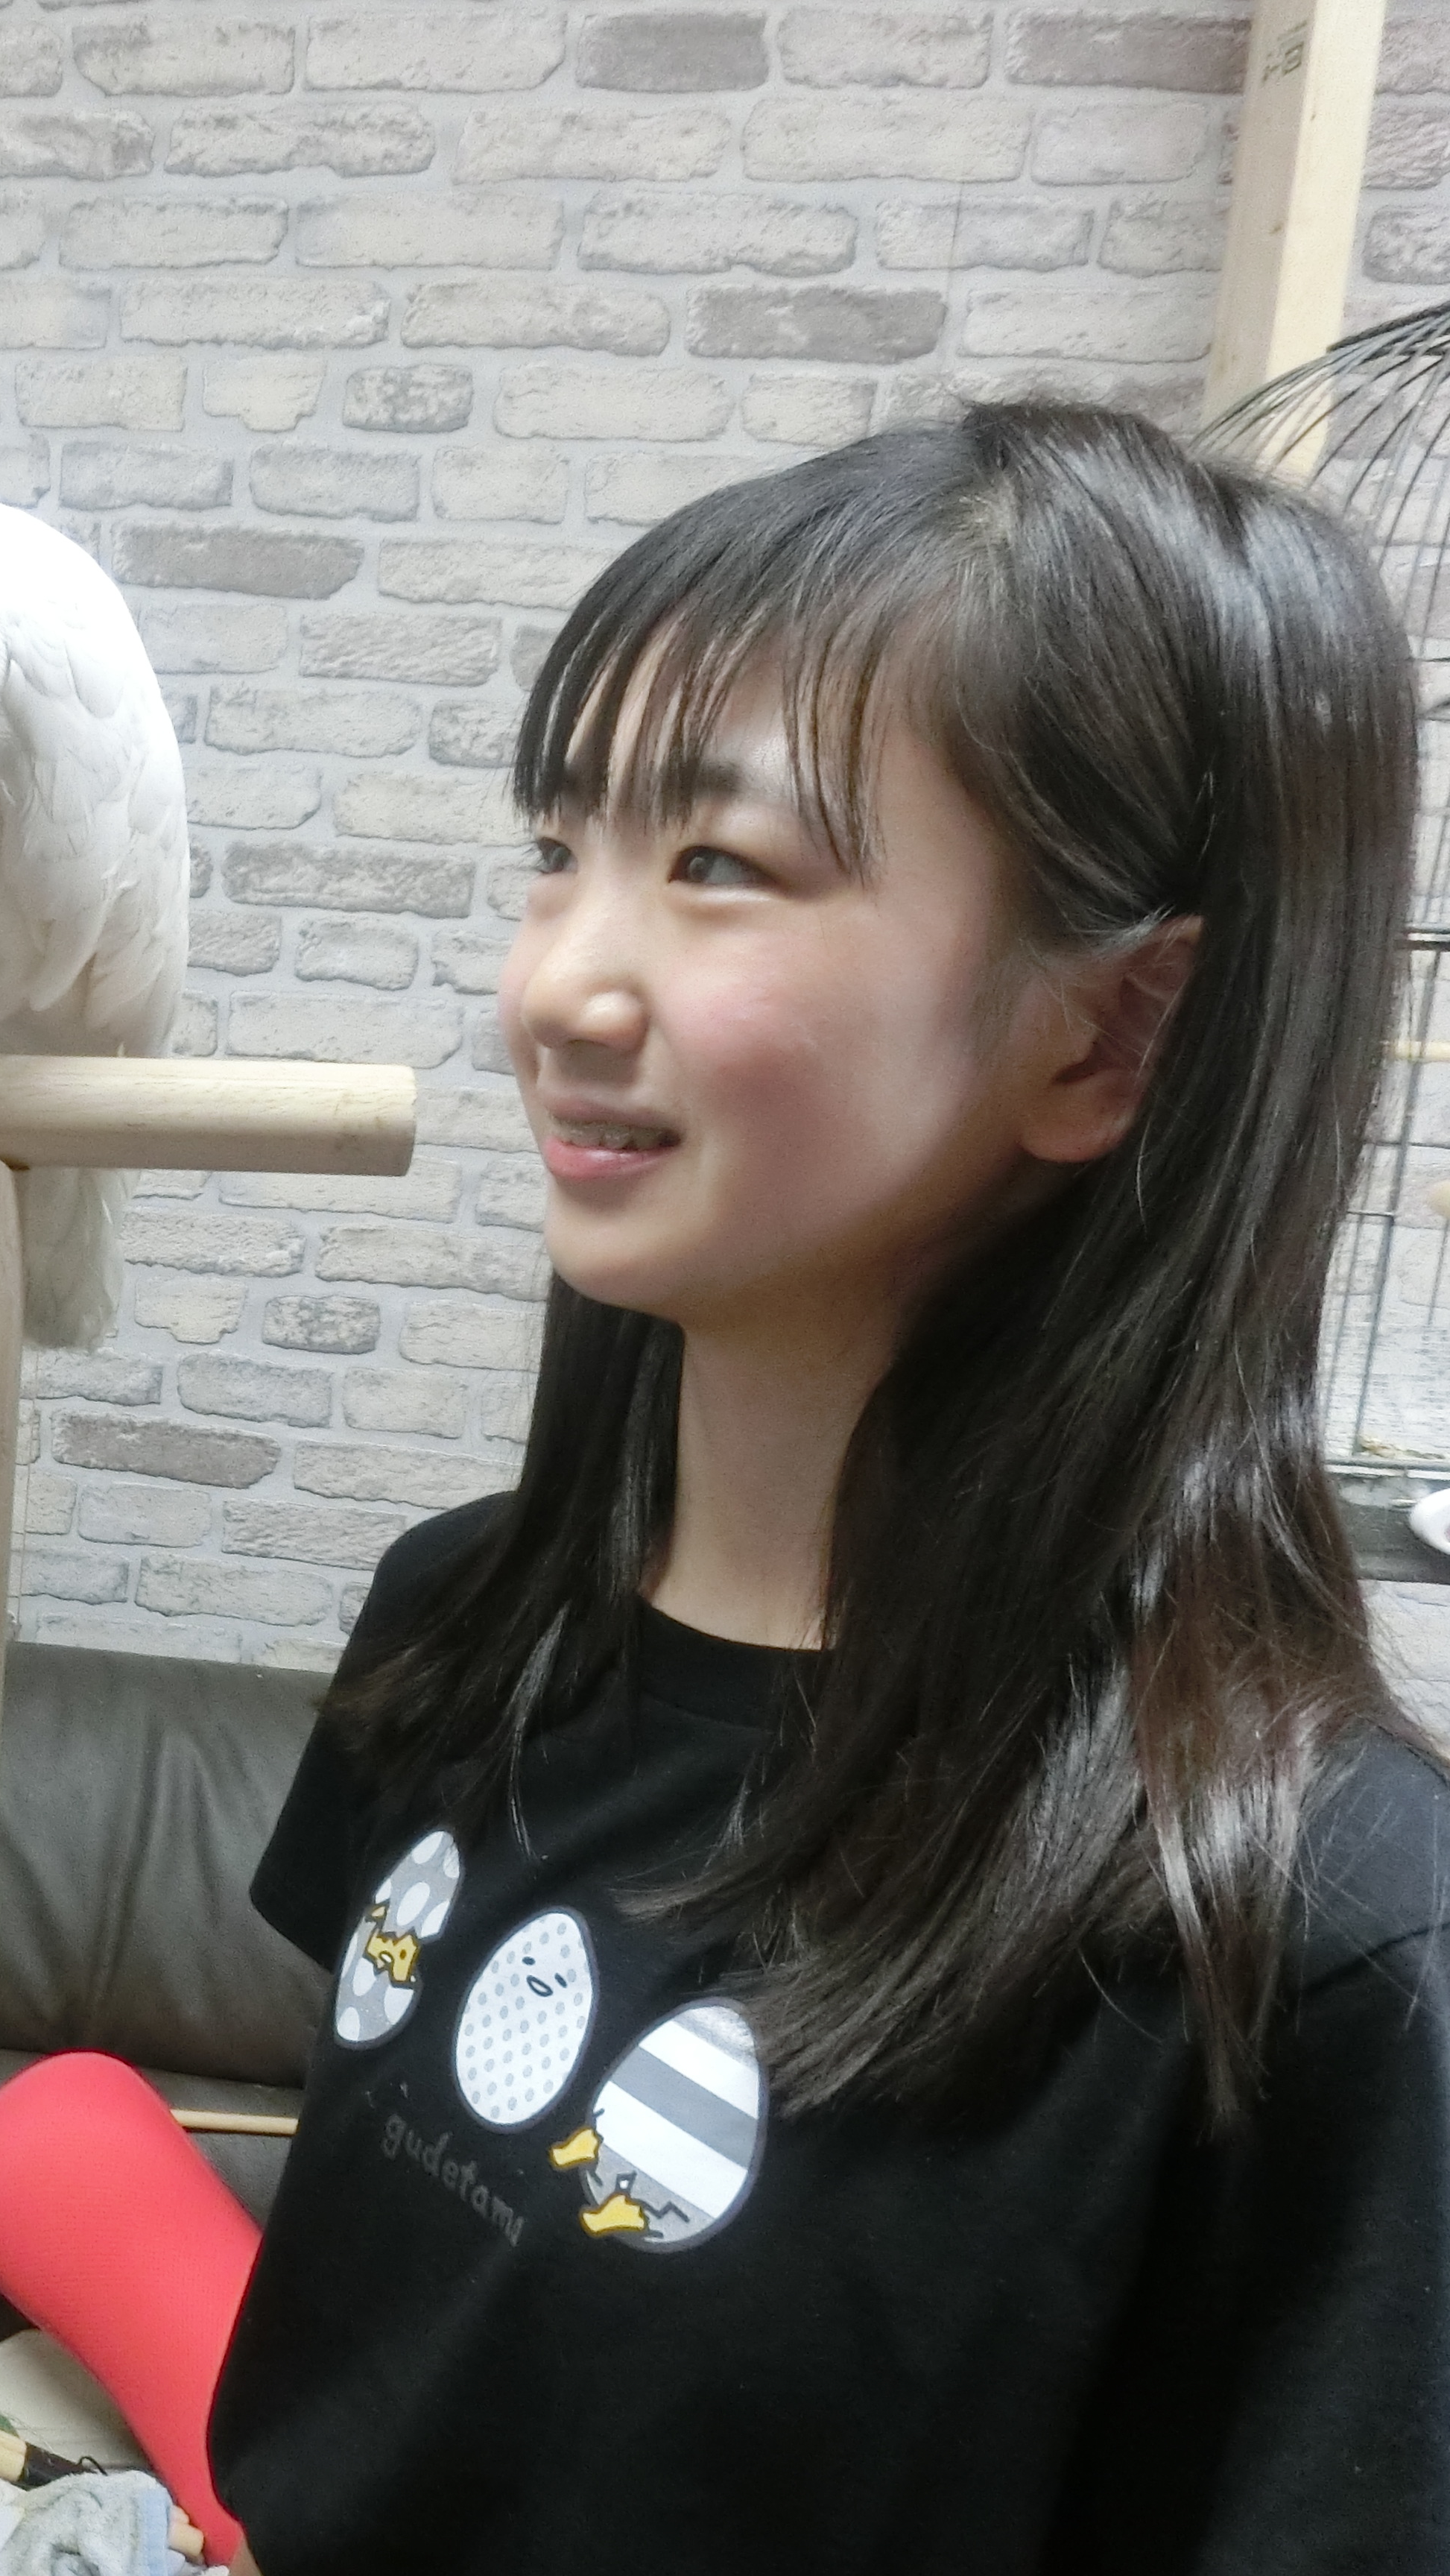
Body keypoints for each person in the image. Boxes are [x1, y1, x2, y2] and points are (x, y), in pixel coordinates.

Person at [209, 405, 1450, 2573]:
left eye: (718, 865)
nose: (554, 984)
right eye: (559, 846)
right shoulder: (459, 1631)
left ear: (1107, 1037)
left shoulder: (1319, 1954)